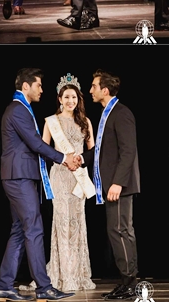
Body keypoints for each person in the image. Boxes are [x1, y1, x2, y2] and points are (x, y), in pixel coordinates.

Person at [0, 66, 81, 298]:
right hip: (19, 177)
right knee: (34, 229)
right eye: (39, 85)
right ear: (26, 86)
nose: (42, 90)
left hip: (18, 176)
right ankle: (44, 288)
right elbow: (35, 143)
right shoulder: (18, 109)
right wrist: (63, 158)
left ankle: (4, 285)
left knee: (19, 230)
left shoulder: (21, 108)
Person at [41, 78, 95, 292]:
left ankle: (78, 273)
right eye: (67, 97)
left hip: (78, 177)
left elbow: (93, 150)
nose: (70, 100)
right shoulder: (51, 121)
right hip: (60, 176)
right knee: (62, 223)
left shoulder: (85, 121)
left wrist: (81, 159)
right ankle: (64, 275)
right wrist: (63, 159)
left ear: (78, 99)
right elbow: (44, 149)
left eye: (74, 97)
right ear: (60, 99)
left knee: (77, 223)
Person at [87, 71, 139, 291]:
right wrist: (82, 158)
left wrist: (118, 182)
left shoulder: (121, 113)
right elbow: (102, 150)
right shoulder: (107, 113)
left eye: (94, 86)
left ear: (105, 90)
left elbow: (128, 151)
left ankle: (130, 283)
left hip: (120, 185)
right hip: (113, 184)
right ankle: (127, 281)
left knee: (120, 231)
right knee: (118, 231)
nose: (91, 90)